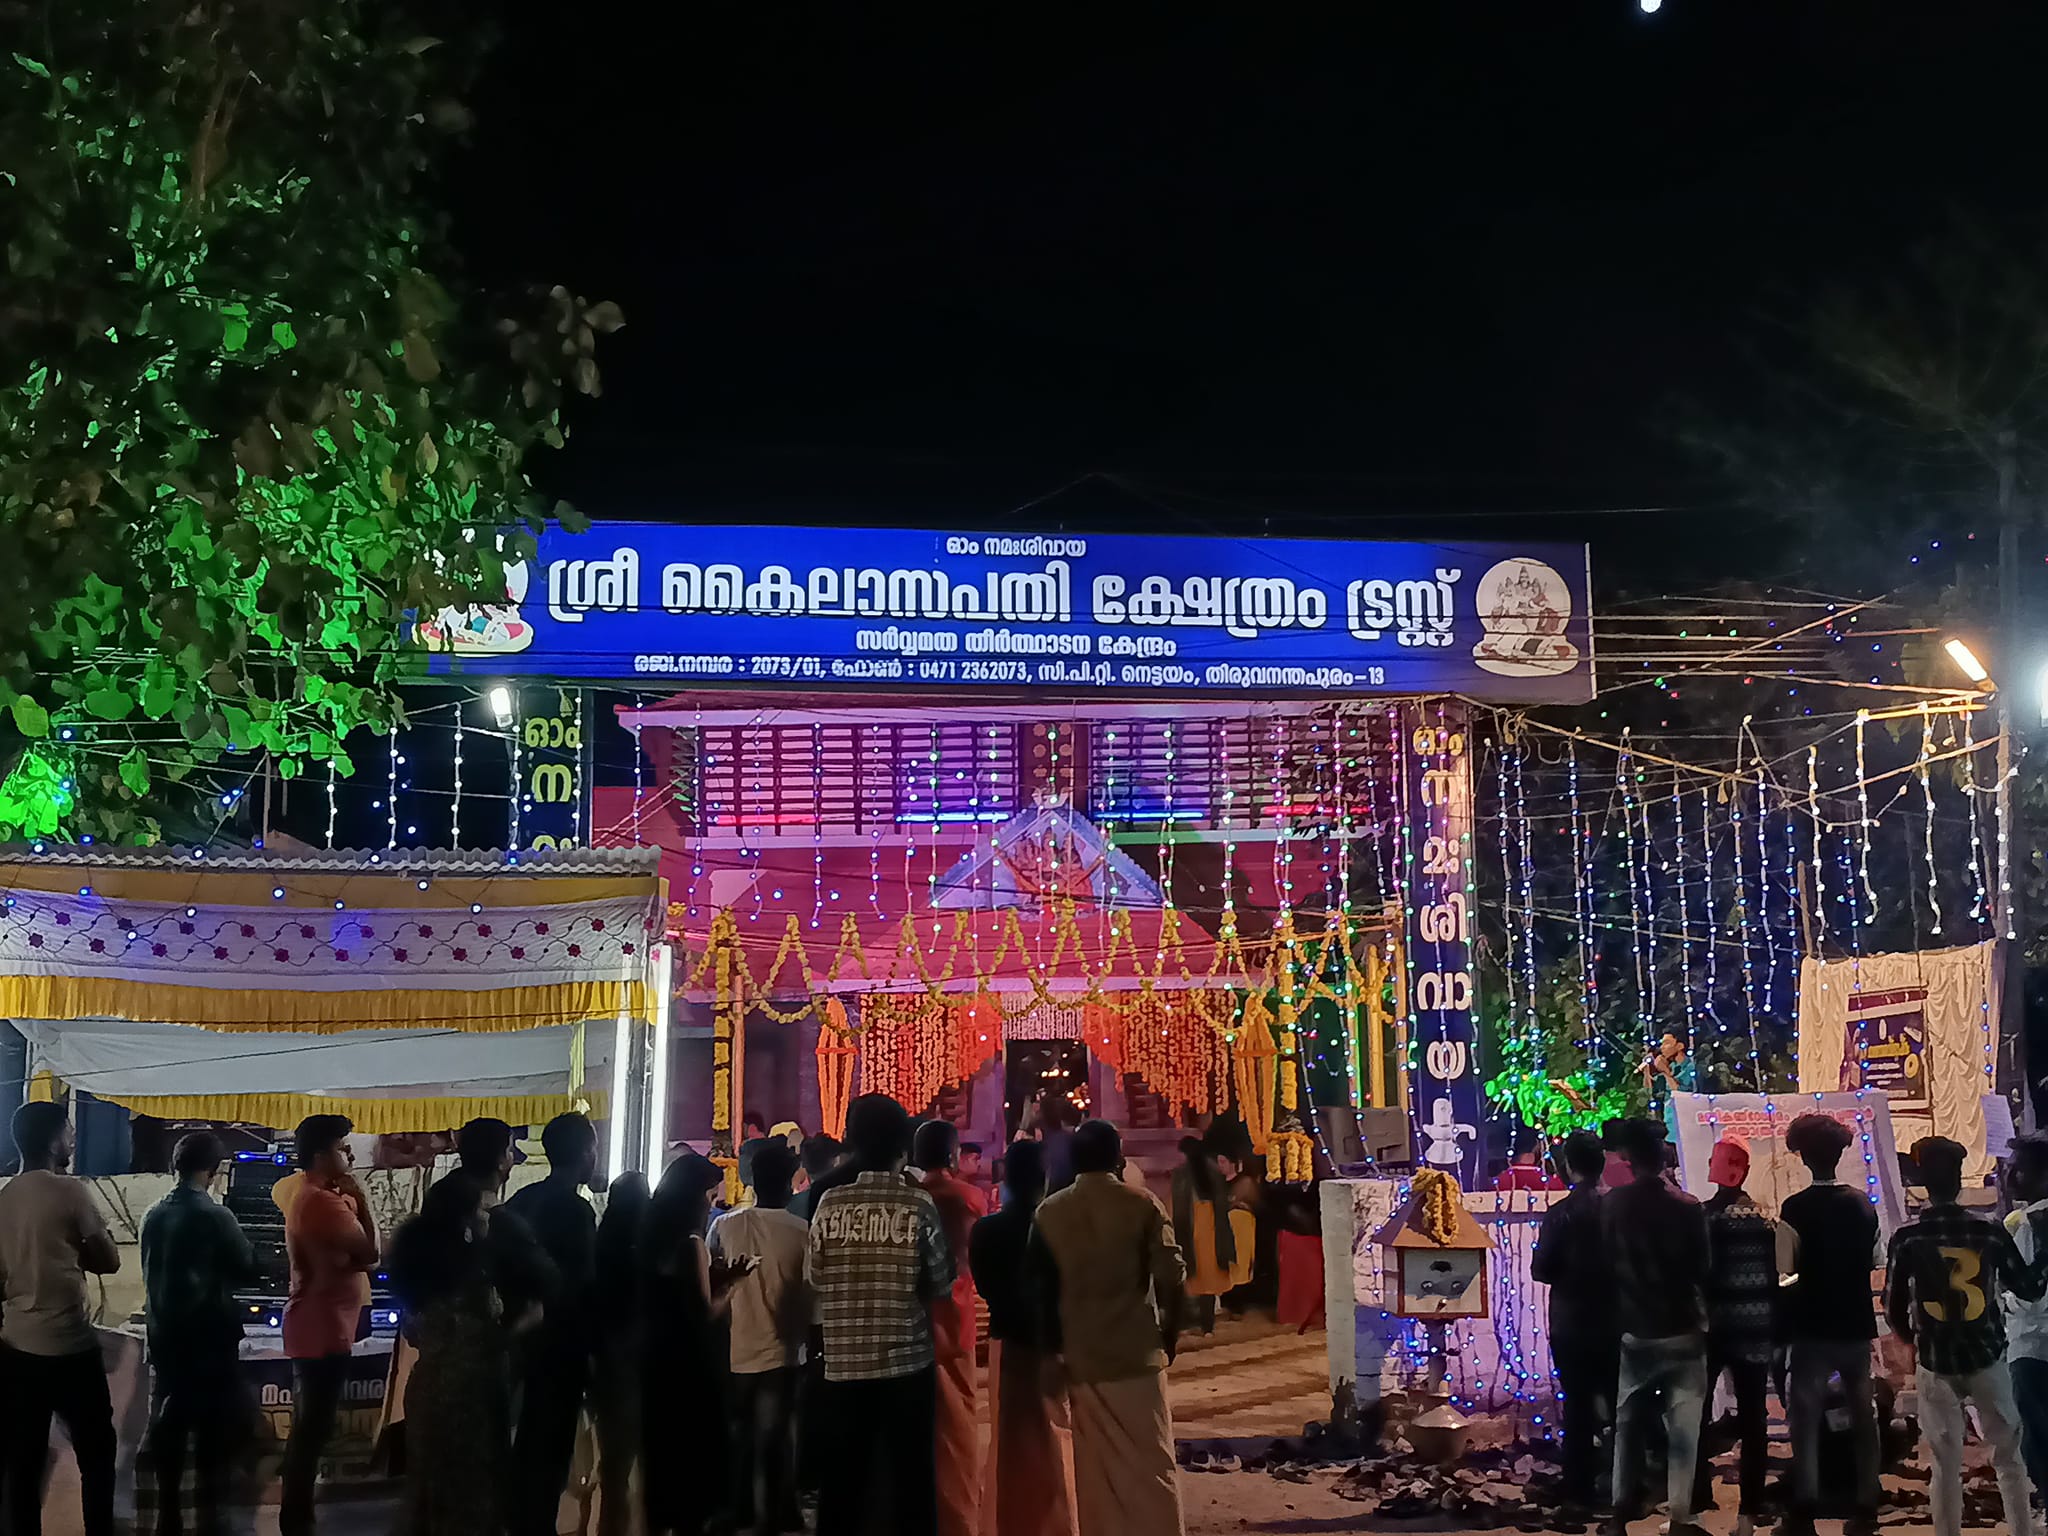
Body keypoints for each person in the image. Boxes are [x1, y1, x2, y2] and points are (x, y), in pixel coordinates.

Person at [807, 1093, 953, 1536]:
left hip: (844, 1366)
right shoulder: (917, 1204)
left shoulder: (829, 1203)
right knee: (910, 1480)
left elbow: (814, 1277)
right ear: (902, 1146)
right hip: (906, 1366)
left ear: (851, 1141)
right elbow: (942, 1280)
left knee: (843, 1482)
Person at [1032, 1119, 1187, 1536]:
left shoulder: (1049, 1212)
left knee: (1094, 1472)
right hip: (1137, 1353)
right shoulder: (1143, 1204)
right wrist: (1168, 1336)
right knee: (1153, 1466)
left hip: (1081, 1357)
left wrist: (1052, 1353)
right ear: (1118, 1159)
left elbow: (1040, 1291)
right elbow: (1172, 1278)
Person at [1887, 1134, 2047, 1536]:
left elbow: (1892, 1304)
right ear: (1960, 1179)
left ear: (1923, 1181)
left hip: (1935, 1360)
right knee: (2009, 1457)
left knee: (1943, 1462)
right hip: (1988, 1356)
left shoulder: (1906, 1237)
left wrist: (1911, 1341)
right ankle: (2022, 1531)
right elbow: (2028, 1287)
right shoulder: (1988, 1231)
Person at [0, 1101, 123, 1536]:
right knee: (97, 1455)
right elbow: (108, 1262)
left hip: (16, 1349)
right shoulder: (69, 1191)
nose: (73, 1139)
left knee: (23, 1462)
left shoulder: (3, 1198)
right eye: (69, 1132)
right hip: (70, 1346)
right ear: (54, 1140)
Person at [140, 1130, 258, 1536]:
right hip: (208, 1339)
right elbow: (247, 1266)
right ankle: (212, 1516)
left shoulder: (152, 1213)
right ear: (215, 1169)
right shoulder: (215, 1215)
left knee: (169, 1427)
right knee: (214, 1431)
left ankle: (168, 1514)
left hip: (163, 1337)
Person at [1601, 1116, 1710, 1536]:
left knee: (1627, 1423)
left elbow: (1606, 1264)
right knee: (1684, 1429)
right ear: (1664, 1155)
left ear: (1628, 1158)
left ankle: (1619, 1512)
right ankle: (1680, 1515)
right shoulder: (1688, 1206)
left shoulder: (1612, 1205)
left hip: (1635, 1328)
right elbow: (1703, 1268)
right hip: (1683, 1326)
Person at [389, 1175, 514, 1536]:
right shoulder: (470, 1278)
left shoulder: (416, 1270)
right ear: (464, 1221)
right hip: (467, 1393)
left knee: (427, 1488)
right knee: (467, 1491)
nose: (487, 1216)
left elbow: (414, 1332)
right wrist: (528, 1321)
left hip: (427, 1387)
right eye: (481, 1209)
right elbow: (487, 1335)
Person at [1777, 1113, 1881, 1536]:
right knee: (1863, 1415)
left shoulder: (1794, 1208)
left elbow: (1784, 1273)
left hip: (1811, 1327)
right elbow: (1875, 1262)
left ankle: (1806, 1504)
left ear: (1803, 1158)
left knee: (1804, 1419)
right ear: (1839, 1154)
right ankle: (1866, 1501)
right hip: (1855, 1323)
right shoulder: (1862, 1203)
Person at [969, 1141, 1077, 1536]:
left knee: (1009, 1437)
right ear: (1045, 1179)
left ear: (1006, 1180)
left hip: (1007, 1340)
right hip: (1056, 1342)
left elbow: (984, 1285)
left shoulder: (987, 1229)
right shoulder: (1063, 1227)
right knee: (1057, 1434)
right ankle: (1060, 1524)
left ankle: (1007, 1523)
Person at [280, 1114, 380, 1536]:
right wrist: (360, 1196)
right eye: (343, 1147)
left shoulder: (318, 1195)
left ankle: (298, 1515)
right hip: (320, 1329)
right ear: (321, 1155)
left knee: (313, 1428)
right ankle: (296, 1518)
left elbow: (357, 1257)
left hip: (324, 1326)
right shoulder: (321, 1201)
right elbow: (371, 1251)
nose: (351, 1153)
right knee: (311, 1430)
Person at [503, 1112, 602, 1536]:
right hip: (560, 1346)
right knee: (549, 1449)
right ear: (584, 1154)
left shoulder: (521, 1200)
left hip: (519, 1339)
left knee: (524, 1446)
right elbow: (581, 1287)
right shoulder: (576, 1211)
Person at [711, 1142, 811, 1536]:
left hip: (736, 1347)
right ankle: (777, 1513)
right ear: (788, 1185)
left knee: (740, 1437)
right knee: (776, 1440)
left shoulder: (726, 1225)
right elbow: (810, 1293)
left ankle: (740, 1510)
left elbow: (713, 1277)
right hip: (782, 1352)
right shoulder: (801, 1231)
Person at [643, 1153, 745, 1535]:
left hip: (657, 1356)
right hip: (692, 1364)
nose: (713, 1202)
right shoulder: (691, 1243)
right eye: (710, 1194)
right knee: (694, 1452)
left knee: (664, 1449)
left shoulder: (651, 1234)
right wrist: (734, 1285)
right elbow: (704, 1311)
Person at [1529, 1129, 1616, 1512]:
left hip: (1571, 1325)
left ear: (1568, 1167)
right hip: (1617, 1321)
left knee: (1578, 1409)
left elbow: (1541, 1269)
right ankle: (1621, 1486)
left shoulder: (1559, 1213)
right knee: (1619, 1407)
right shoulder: (1619, 1208)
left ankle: (1578, 1490)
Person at [1693, 1139, 1776, 1533]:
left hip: (1714, 1329)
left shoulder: (1707, 1218)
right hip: (1757, 1329)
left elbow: (1701, 1273)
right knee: (1754, 1421)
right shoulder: (1763, 1217)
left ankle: (1697, 1500)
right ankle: (1750, 1509)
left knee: (1697, 1411)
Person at [915, 1119, 988, 1536]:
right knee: (959, 1424)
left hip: (915, 1318)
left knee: (924, 1421)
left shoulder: (912, 1198)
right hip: (957, 1313)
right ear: (952, 1155)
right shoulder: (970, 1197)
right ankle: (961, 1518)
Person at [591, 1172, 649, 1536]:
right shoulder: (644, 1245)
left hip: (607, 1348)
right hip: (634, 1350)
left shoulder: (602, 1239)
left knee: (613, 1451)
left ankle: (609, 1522)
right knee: (634, 1449)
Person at [2006, 1132, 2048, 1507]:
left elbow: (2016, 1287)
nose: (2011, 1178)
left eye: (2020, 1171)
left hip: (2031, 1340)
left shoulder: (2022, 1222)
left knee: (2033, 1426)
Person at [1171, 1136, 1234, 1334]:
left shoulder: (1183, 1174)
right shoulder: (1213, 1171)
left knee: (1195, 1274)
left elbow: (1179, 1209)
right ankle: (1207, 1324)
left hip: (1196, 1226)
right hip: (1211, 1227)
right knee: (1207, 1277)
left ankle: (1196, 1322)